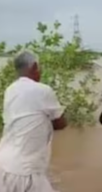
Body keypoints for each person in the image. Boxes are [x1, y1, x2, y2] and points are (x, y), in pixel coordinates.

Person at [0, 51, 67, 192]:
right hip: (26, 171)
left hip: (4, 164)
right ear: (35, 66)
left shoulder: (10, 90)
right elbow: (61, 123)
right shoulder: (43, 90)